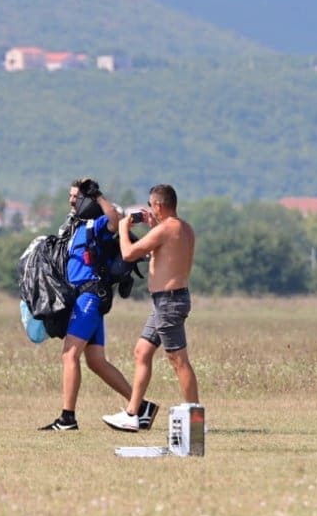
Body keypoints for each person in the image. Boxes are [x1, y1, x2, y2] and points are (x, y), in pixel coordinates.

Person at [40, 177, 138, 431]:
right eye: (71, 196)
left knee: (69, 354)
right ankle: (139, 406)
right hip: (82, 299)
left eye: (77, 197)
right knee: (95, 360)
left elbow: (116, 220)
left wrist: (98, 196)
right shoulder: (74, 226)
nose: (72, 200)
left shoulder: (97, 224)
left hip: (90, 296)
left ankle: (67, 418)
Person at [102, 183, 198, 432]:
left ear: (158, 205)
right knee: (142, 352)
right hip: (166, 302)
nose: (149, 209)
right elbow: (167, 250)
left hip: (169, 302)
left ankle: (196, 419)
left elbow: (128, 254)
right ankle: (133, 414)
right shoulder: (184, 228)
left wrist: (123, 227)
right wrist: (153, 226)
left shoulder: (166, 229)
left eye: (150, 205)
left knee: (178, 361)